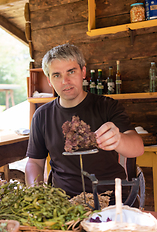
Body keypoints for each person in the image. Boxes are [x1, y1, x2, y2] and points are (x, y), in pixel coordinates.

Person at [25, 44, 144, 203]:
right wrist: (36, 194)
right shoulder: (42, 115)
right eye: (57, 75)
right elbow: (34, 162)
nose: (65, 81)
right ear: (49, 80)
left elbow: (137, 148)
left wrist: (119, 139)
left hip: (111, 200)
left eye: (71, 72)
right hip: (63, 203)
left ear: (83, 72)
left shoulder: (107, 106)